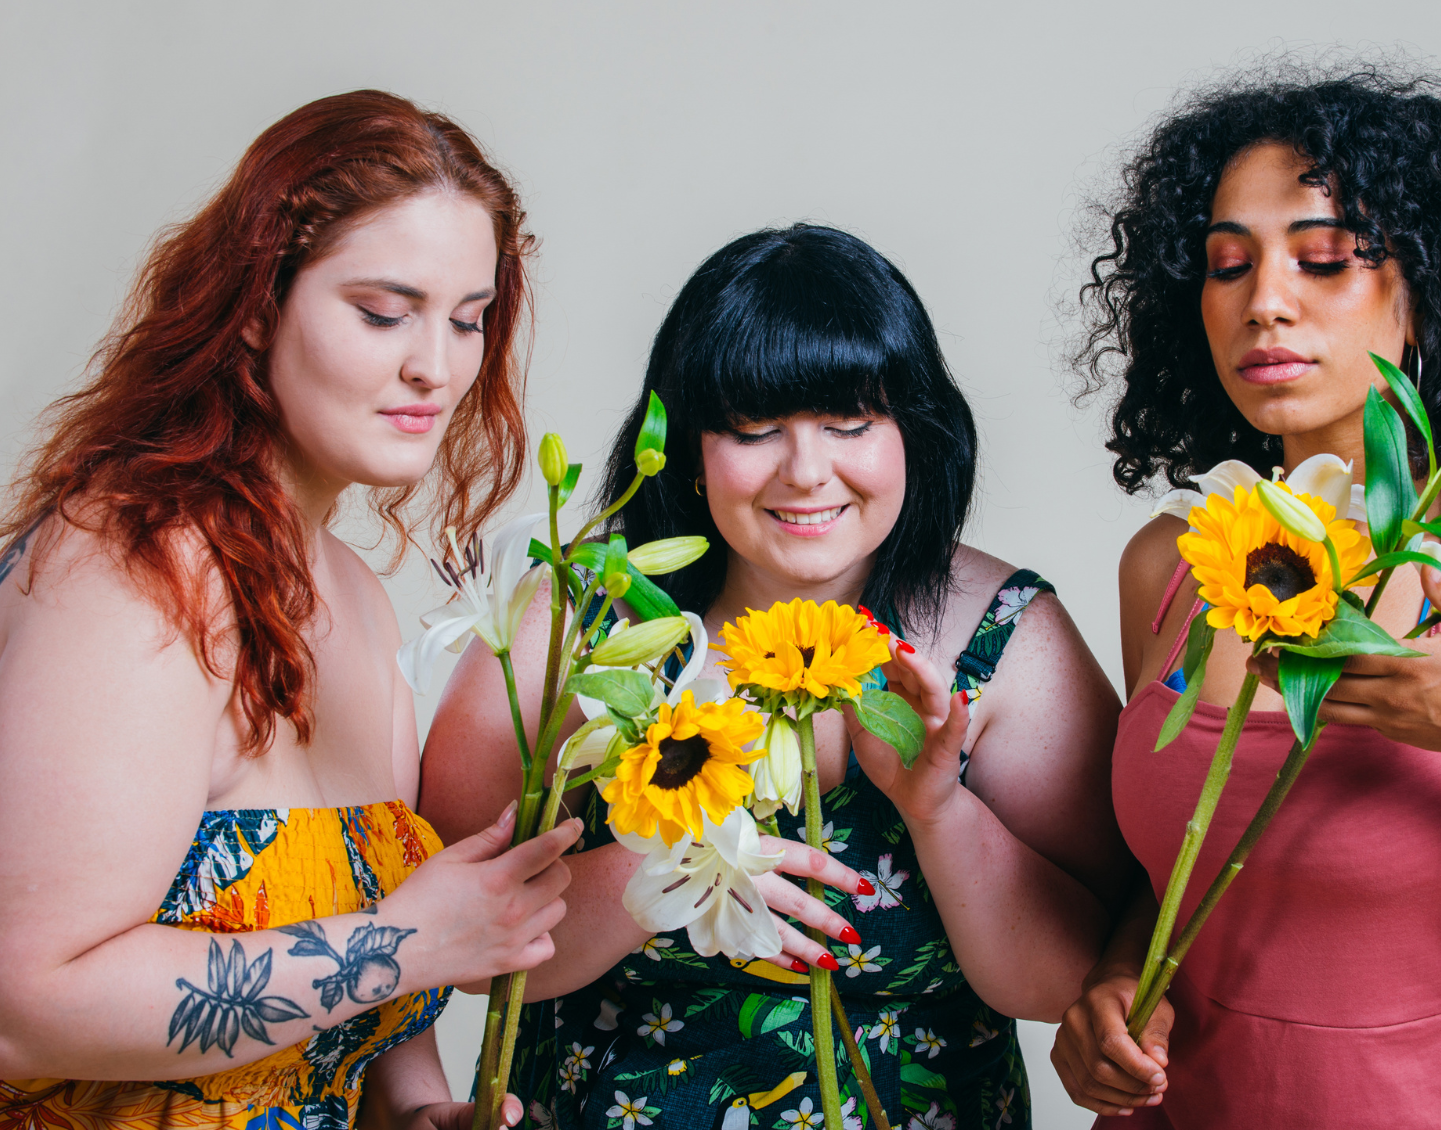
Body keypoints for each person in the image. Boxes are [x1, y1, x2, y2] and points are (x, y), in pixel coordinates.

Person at [419, 224, 1129, 1130]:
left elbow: (1075, 984)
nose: (805, 472)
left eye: (849, 423)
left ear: (914, 429)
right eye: (753, 428)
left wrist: (936, 809)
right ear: (681, 444)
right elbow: (457, 955)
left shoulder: (1007, 639)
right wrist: (672, 862)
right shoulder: (569, 623)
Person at [1050, 67, 1441, 1127]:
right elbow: (1192, 857)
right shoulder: (1174, 564)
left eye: (1324, 259)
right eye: (1228, 264)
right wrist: (1113, 982)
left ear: (1427, 291)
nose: (1265, 299)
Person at [0, 91, 583, 1130]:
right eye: (383, 311)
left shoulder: (356, 599)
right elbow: (24, 1004)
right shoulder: (138, 564)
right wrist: (407, 944)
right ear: (259, 305)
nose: (436, 367)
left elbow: (350, 1021)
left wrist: (421, 1113)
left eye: (467, 318)